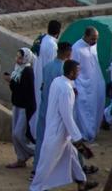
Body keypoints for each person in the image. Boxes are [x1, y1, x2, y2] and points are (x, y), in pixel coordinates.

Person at [32, 60, 95, 191]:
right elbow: (67, 116)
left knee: (72, 156)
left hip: (60, 131)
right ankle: (36, 188)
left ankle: (82, 181)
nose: (79, 73)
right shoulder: (66, 90)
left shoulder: (58, 81)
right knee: (46, 163)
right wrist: (78, 139)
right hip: (57, 133)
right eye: (77, 71)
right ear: (72, 72)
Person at [6, 47, 37, 169]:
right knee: (14, 134)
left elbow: (24, 90)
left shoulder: (28, 71)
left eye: (20, 57)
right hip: (17, 104)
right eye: (17, 57)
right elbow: (15, 89)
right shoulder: (18, 69)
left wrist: (11, 81)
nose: (18, 60)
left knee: (19, 134)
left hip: (25, 107)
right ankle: (21, 158)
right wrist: (12, 81)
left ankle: (36, 153)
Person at [74, 27, 104, 143]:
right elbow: (74, 68)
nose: (95, 41)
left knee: (95, 108)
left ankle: (93, 132)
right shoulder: (76, 48)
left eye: (96, 39)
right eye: (92, 38)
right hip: (82, 85)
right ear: (86, 36)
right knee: (84, 110)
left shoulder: (93, 45)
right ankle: (85, 134)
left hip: (95, 84)